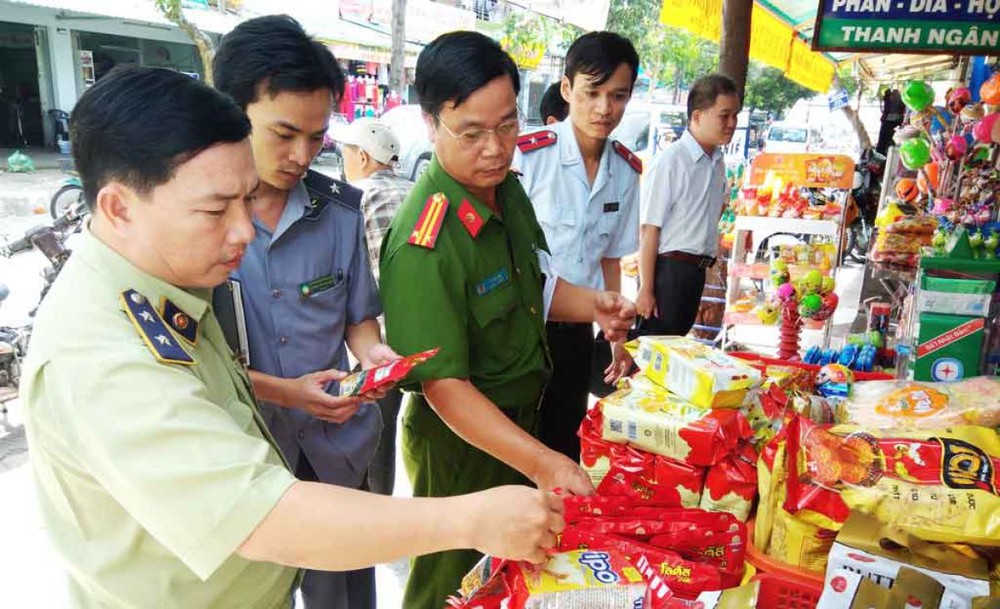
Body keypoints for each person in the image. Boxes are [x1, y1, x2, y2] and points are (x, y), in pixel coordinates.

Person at [20, 64, 567, 609]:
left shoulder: (167, 280)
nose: (242, 231)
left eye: (245, 201)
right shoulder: (101, 354)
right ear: (119, 208)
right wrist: (471, 519)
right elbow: (261, 516)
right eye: (216, 209)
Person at [378, 31, 636, 609]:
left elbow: (533, 288)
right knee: (449, 584)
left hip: (522, 422)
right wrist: (542, 459)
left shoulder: (505, 191)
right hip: (463, 442)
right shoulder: (425, 241)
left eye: (506, 126)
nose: (494, 148)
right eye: (471, 133)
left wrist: (593, 303)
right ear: (430, 123)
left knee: (506, 575)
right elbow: (443, 386)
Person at [212, 16, 396, 608]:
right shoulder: (195, 220)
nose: (300, 156)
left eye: (316, 138)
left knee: (341, 593)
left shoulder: (338, 212)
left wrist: (374, 357)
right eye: (284, 133)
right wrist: (285, 392)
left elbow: (357, 317)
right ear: (232, 112)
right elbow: (186, 363)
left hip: (331, 447)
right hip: (240, 452)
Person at [513, 31, 640, 461]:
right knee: (516, 441)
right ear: (567, 89)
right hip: (520, 326)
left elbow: (611, 258)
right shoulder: (529, 157)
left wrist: (617, 338)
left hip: (576, 332)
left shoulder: (625, 171)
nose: (605, 108)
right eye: (592, 92)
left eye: (618, 96)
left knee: (564, 439)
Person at [337, 117, 414, 496]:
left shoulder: (354, 198)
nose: (343, 160)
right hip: (429, 334)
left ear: (363, 157)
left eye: (346, 153)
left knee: (373, 435)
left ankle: (376, 504)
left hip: (378, 340)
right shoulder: (416, 191)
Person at [636, 73, 741, 336]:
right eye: (724, 115)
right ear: (696, 116)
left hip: (695, 272)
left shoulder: (717, 162)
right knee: (655, 349)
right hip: (668, 272)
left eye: (735, 116)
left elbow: (713, 214)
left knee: (676, 347)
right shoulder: (671, 161)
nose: (731, 123)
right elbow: (649, 229)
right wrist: (646, 289)